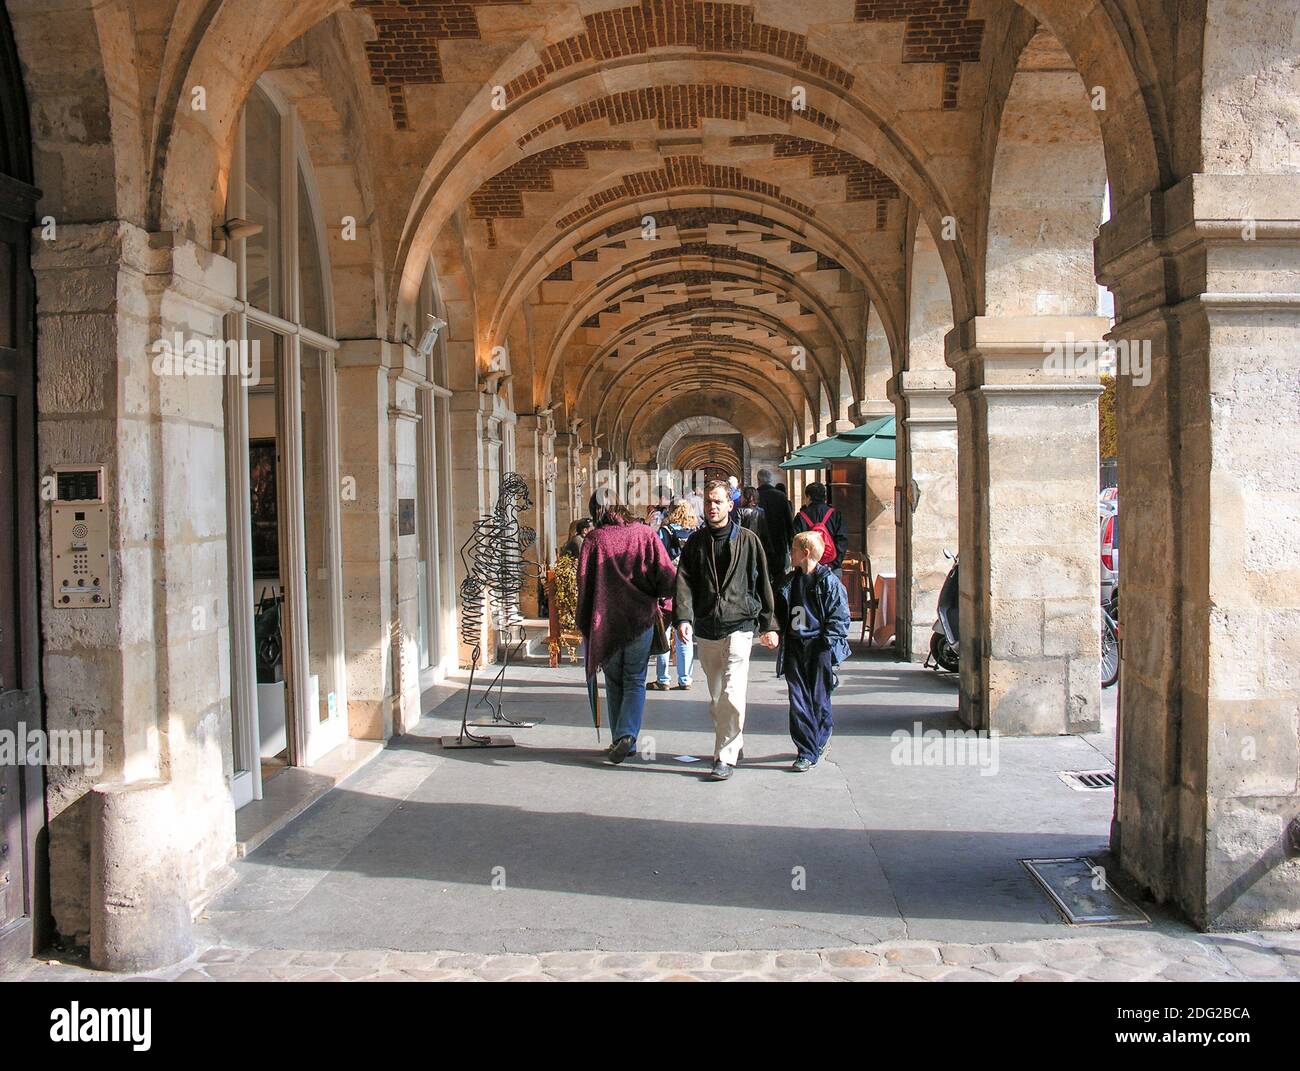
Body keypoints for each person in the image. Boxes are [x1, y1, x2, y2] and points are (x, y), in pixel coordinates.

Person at [673, 479, 779, 781]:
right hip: (707, 626)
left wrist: (768, 624)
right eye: (708, 502)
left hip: (740, 624)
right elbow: (684, 582)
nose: (712, 507)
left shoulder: (748, 540)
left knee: (733, 693)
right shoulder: (695, 543)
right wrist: (683, 618)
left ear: (730, 505)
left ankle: (725, 756)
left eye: (718, 502)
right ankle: (735, 739)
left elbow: (763, 583)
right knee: (718, 697)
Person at [576, 499, 677, 764]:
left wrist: (584, 621)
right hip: (639, 619)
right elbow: (667, 574)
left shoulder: (594, 540)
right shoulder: (644, 533)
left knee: (614, 681)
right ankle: (627, 734)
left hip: (606, 622)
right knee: (634, 679)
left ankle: (620, 738)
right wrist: (664, 601)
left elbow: (584, 584)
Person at [774, 531, 851, 772]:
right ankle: (806, 751)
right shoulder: (789, 582)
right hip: (795, 647)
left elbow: (840, 616)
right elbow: (779, 612)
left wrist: (827, 643)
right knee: (797, 699)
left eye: (794, 549)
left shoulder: (828, 583)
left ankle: (821, 737)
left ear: (805, 553)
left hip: (819, 649)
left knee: (819, 699)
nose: (791, 553)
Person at [648, 498, 697, 690]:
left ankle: (663, 678)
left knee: (664, 630)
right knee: (685, 632)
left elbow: (657, 558)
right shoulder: (695, 533)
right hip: (688, 586)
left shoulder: (665, 531)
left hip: (667, 585)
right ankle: (686, 678)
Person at [793, 481, 847, 574]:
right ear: (824, 497)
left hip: (807, 568)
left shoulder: (801, 517)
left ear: (809, 497)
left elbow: (795, 541)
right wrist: (834, 564)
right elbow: (842, 539)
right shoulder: (835, 514)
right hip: (832, 568)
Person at [755, 468, 794, 579]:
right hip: (779, 540)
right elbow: (788, 520)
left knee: (761, 573)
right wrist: (790, 541)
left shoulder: (755, 496)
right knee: (779, 574)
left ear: (759, 480)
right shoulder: (781, 496)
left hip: (760, 540)